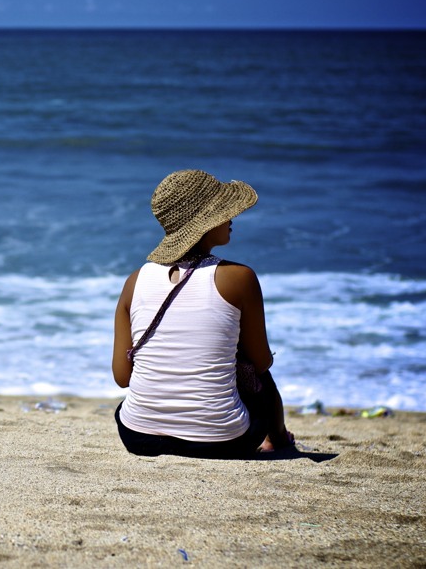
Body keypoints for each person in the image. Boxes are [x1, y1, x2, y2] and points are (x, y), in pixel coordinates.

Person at [111, 169, 294, 459]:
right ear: (206, 223)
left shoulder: (135, 281)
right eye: (225, 212)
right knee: (258, 375)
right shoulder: (239, 277)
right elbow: (261, 361)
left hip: (137, 436)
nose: (232, 218)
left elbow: (122, 377)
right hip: (221, 441)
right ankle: (280, 440)